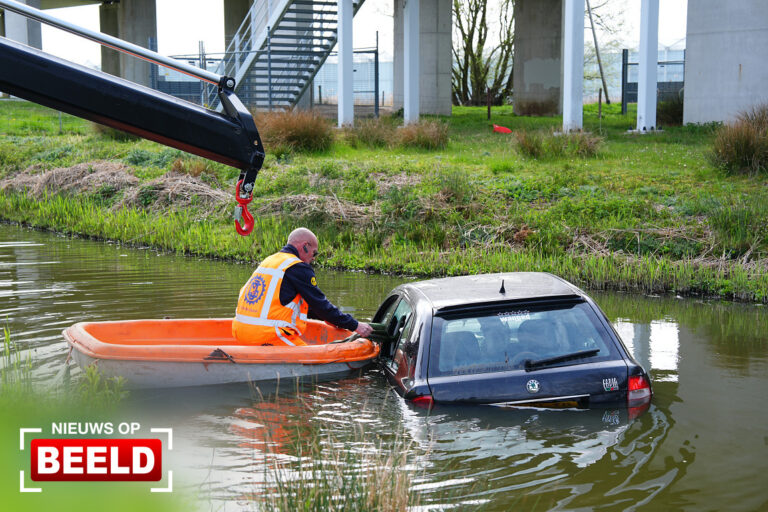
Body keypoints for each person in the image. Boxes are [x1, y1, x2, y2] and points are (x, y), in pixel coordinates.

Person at [233, 227, 373, 346]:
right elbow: (320, 304)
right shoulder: (297, 266)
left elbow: (292, 303)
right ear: (305, 246)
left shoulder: (270, 261)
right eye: (314, 253)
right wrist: (356, 325)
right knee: (315, 363)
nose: (313, 258)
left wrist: (328, 318)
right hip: (267, 335)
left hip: (240, 331)